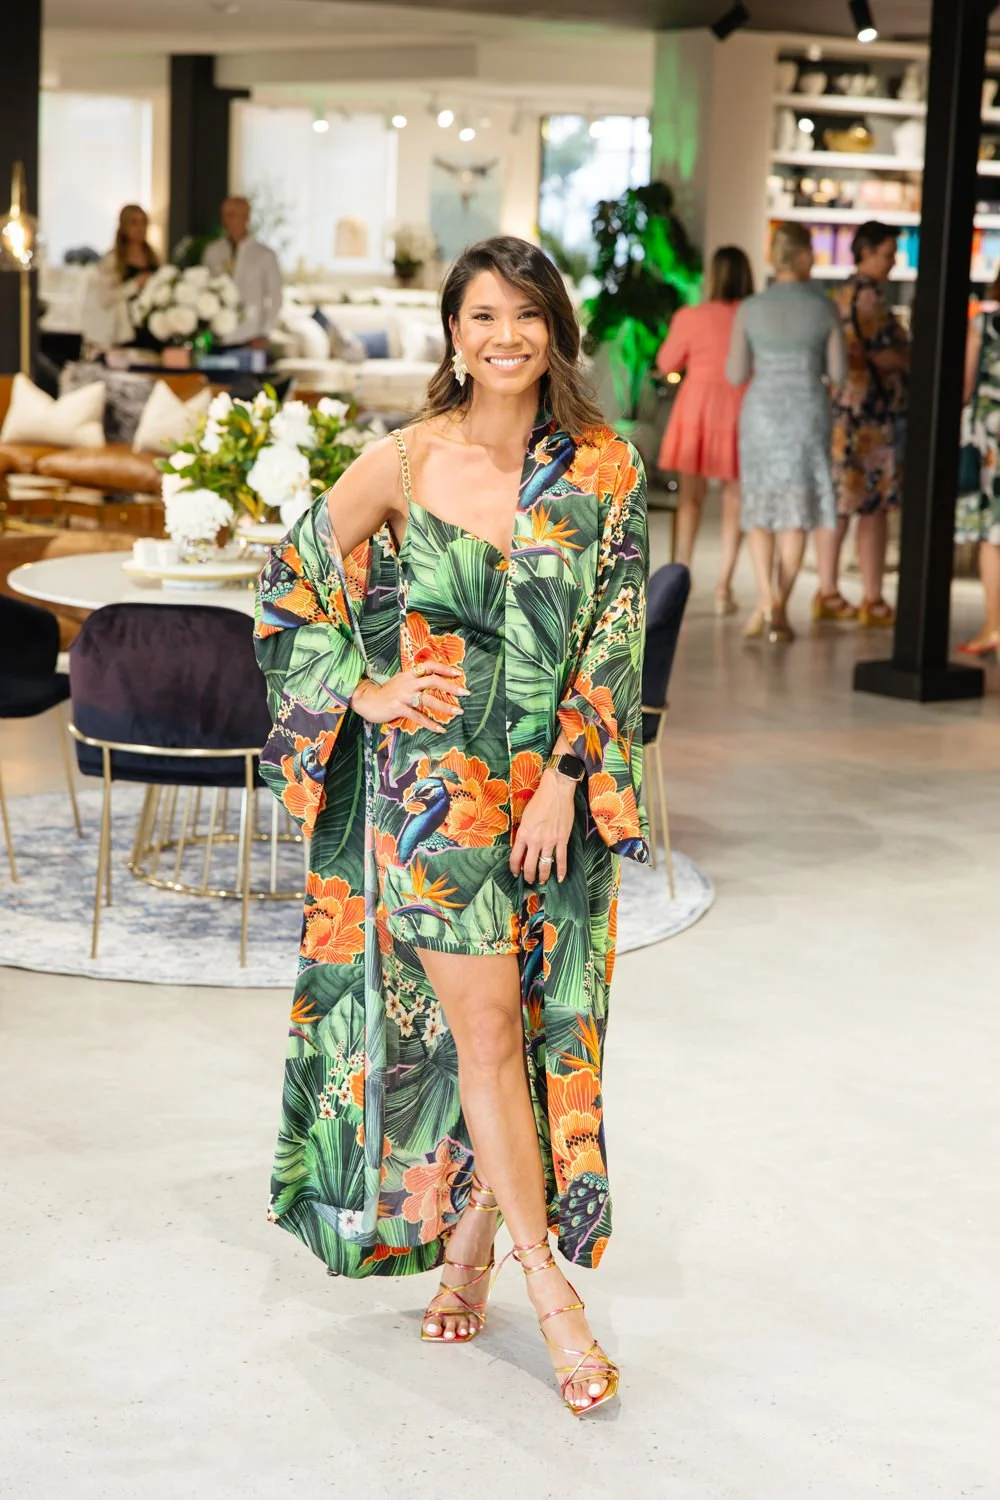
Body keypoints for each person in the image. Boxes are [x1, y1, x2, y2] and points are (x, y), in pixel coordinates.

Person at [253, 235, 649, 1417]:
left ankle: (473, 1248)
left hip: (552, 801)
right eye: (483, 315)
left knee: (529, 1031)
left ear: (556, 330)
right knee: (481, 1033)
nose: (506, 336)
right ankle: (551, 1293)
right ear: (452, 331)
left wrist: (567, 777)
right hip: (428, 798)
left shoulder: (603, 467)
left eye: (527, 315)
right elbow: (288, 581)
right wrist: (364, 691)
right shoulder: (403, 457)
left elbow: (615, 637)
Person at [726, 222, 845, 644]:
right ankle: (779, 609)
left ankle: (764, 600)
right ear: (804, 256)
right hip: (807, 413)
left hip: (761, 413)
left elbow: (735, 372)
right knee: (796, 515)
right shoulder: (824, 308)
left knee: (759, 511)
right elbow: (839, 373)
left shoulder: (751, 308)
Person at [818, 222, 910, 627]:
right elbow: (884, 355)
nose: (894, 261)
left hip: (845, 413)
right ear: (868, 250)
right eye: (888, 252)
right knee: (872, 508)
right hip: (869, 417)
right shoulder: (869, 296)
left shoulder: (843, 293)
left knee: (841, 504)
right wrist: (914, 360)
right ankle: (872, 598)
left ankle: (828, 590)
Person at [655, 246, 753, 614]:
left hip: (696, 407)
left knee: (689, 498)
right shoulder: (751, 316)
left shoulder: (691, 316)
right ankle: (724, 588)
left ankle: (681, 576)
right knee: (735, 499)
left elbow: (667, 363)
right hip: (740, 405)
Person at [955, 272, 1000, 655]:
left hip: (990, 436)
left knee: (992, 534)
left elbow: (964, 385)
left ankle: (993, 625)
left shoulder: (983, 324)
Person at [201, 195, 282, 348]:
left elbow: (275, 299)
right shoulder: (212, 252)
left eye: (231, 215)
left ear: (246, 217)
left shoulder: (265, 255)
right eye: (224, 215)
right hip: (218, 337)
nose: (226, 221)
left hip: (251, 337)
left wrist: (264, 334)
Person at [79, 204, 159, 353]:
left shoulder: (152, 257)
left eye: (143, 223)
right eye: (134, 223)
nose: (139, 228)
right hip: (126, 332)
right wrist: (135, 284)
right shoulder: (112, 260)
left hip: (152, 329)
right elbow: (105, 298)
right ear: (124, 226)